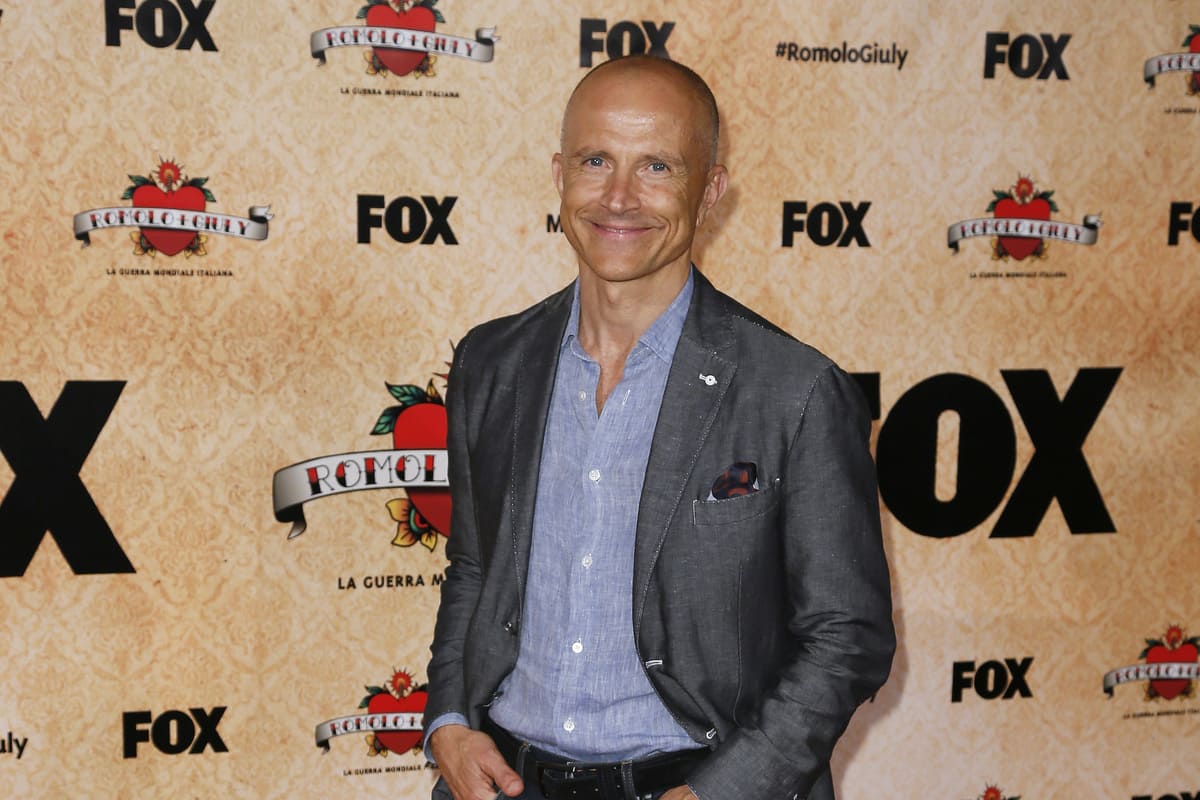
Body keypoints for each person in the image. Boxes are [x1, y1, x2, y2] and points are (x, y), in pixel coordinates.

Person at [423, 55, 895, 800]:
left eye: (657, 167)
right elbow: (473, 569)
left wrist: (723, 793)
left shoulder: (796, 390)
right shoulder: (491, 361)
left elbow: (847, 636)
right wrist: (449, 719)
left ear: (710, 192)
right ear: (559, 175)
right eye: (595, 160)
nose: (619, 197)